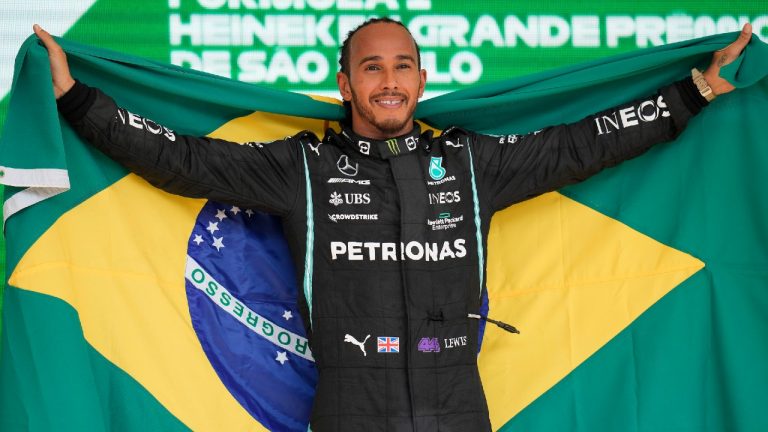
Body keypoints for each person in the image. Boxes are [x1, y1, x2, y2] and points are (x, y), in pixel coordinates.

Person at [33, 18, 752, 432]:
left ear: (420, 79)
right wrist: (74, 99)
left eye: (402, 66)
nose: (388, 81)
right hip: (348, 404)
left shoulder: (471, 164)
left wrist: (692, 92)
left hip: (457, 403)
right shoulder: (302, 169)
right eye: (371, 68)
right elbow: (182, 159)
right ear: (345, 84)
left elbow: (584, 143)